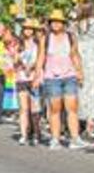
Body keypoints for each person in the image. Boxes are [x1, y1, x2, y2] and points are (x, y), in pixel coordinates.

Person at [36, 10, 84, 148]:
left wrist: (80, 71)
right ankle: (55, 139)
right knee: (55, 108)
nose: (56, 24)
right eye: (53, 22)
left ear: (63, 24)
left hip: (69, 75)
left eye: (59, 22)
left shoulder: (70, 37)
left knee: (72, 108)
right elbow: (41, 57)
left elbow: (75, 55)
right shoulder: (45, 38)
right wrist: (37, 75)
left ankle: (75, 138)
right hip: (52, 77)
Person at [74, 2, 94, 138]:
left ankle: (84, 117)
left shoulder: (76, 25)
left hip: (81, 53)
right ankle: (93, 118)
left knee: (82, 88)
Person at [14, 18, 42, 146]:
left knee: (35, 108)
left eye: (30, 29)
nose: (28, 31)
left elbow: (41, 59)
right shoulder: (18, 44)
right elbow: (14, 61)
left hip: (34, 78)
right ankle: (24, 134)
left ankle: (36, 132)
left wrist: (32, 67)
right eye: (26, 28)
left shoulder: (38, 43)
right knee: (23, 108)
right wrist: (18, 60)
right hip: (21, 78)